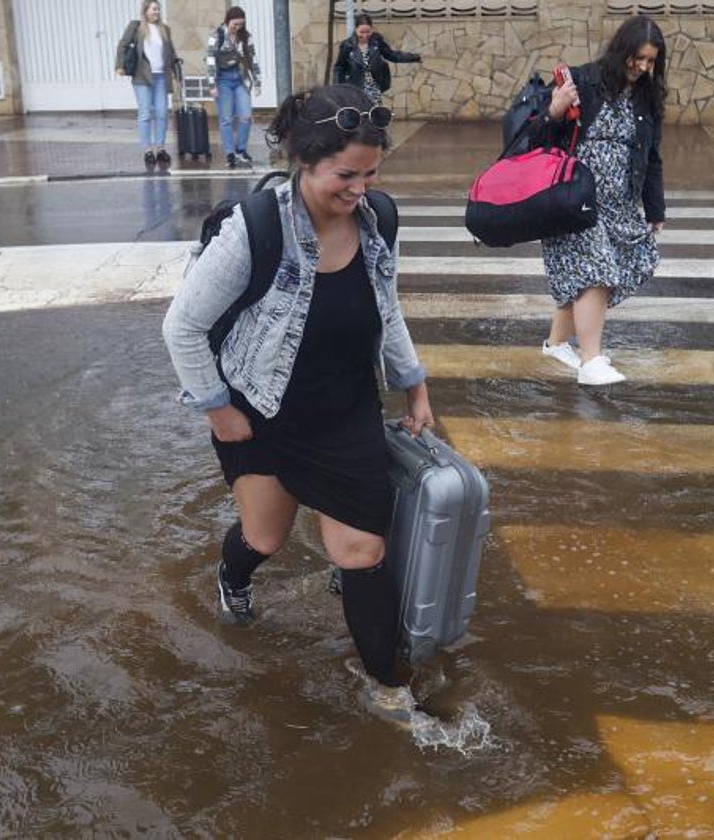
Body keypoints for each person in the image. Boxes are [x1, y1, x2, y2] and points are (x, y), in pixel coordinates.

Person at [162, 84, 434, 726]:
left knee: (362, 552)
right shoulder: (254, 230)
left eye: (371, 173)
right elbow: (181, 328)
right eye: (345, 174)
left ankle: (387, 688)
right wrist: (217, 409)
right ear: (305, 163)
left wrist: (414, 382)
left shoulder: (377, 220)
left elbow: (386, 308)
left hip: (345, 412)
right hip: (260, 413)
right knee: (266, 534)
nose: (360, 189)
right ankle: (234, 579)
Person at [528, 15, 667, 386]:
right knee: (596, 272)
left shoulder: (647, 98)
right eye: (637, 57)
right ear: (622, 50)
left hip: (620, 203)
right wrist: (554, 111)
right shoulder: (582, 81)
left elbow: (652, 157)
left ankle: (557, 343)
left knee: (610, 268)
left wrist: (655, 210)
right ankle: (591, 360)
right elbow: (536, 139)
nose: (642, 66)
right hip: (575, 198)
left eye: (651, 61)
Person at [115, 0, 179, 169]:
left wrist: (176, 70)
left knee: (162, 113)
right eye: (153, 9)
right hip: (142, 76)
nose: (156, 12)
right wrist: (120, 65)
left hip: (160, 77)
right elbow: (122, 44)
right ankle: (147, 150)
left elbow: (170, 52)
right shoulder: (136, 27)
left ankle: (160, 148)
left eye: (158, 9)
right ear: (145, 11)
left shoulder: (164, 29)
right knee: (145, 114)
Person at [206, 7, 262, 168]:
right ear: (227, 20)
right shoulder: (216, 36)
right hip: (222, 80)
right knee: (226, 119)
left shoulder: (245, 36)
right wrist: (212, 84)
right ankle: (230, 153)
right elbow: (210, 60)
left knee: (245, 116)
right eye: (235, 24)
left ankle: (241, 149)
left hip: (240, 79)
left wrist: (257, 82)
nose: (237, 28)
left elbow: (253, 58)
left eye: (241, 25)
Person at [333, 13, 422, 106]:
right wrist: (337, 89)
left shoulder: (377, 40)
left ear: (372, 29)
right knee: (358, 115)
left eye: (368, 32)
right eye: (361, 32)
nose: (365, 35)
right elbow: (339, 68)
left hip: (374, 87)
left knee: (375, 115)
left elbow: (391, 55)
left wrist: (413, 57)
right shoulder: (347, 45)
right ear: (355, 29)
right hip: (355, 88)